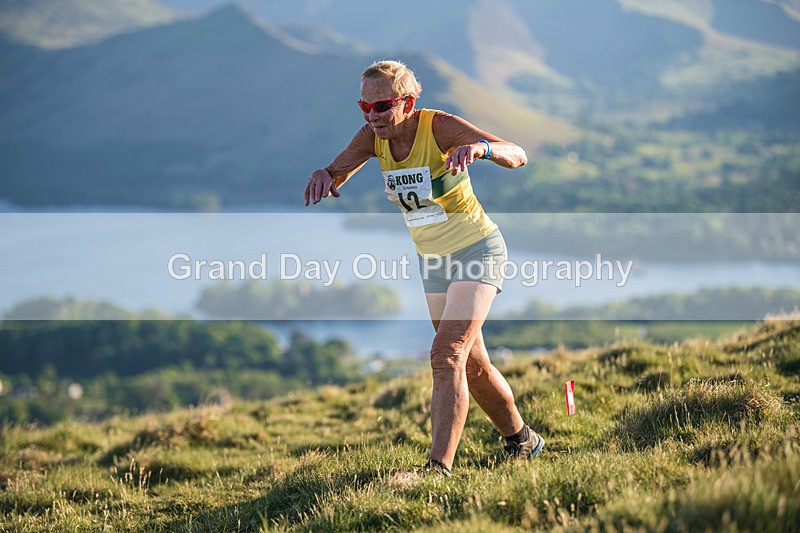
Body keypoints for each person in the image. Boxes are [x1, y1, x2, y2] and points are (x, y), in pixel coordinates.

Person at [304, 60, 544, 476]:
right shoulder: (373, 136)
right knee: (472, 364)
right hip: (433, 262)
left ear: (409, 102)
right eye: (364, 107)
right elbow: (338, 168)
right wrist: (325, 175)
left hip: (477, 251)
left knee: (445, 354)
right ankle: (524, 442)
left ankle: (437, 470)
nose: (372, 116)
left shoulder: (439, 127)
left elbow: (517, 154)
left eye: (382, 106)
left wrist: (481, 149)